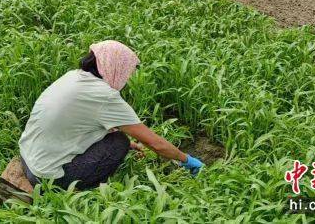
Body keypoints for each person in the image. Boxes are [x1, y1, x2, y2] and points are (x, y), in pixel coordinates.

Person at [18, 40, 204, 190]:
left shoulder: (73, 77)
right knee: (118, 142)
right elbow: (154, 143)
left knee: (117, 138)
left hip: (27, 158)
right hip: (47, 178)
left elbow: (78, 123)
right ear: (115, 68)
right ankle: (85, 189)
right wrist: (186, 159)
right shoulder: (104, 96)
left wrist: (132, 144)